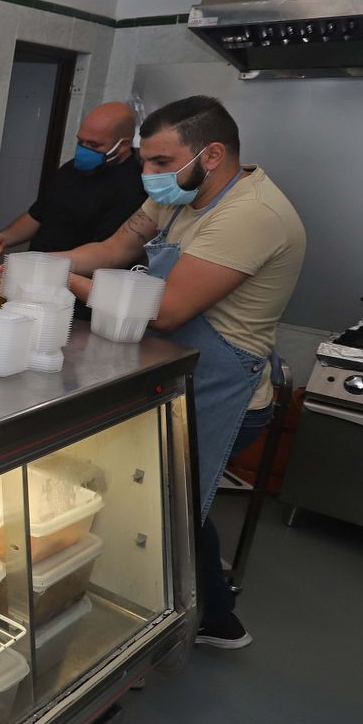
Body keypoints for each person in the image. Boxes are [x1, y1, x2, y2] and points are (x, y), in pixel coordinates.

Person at [54, 95, 305, 650]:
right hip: (176, 371)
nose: (148, 175)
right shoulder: (179, 198)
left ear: (211, 154)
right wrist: (51, 261)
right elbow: (115, 247)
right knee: (174, 498)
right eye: (144, 161)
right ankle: (209, 613)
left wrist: (64, 284)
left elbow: (166, 312)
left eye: (161, 163)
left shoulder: (251, 216)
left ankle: (184, 623)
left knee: (168, 501)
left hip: (226, 385)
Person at [0, 101, 145, 257]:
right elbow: (38, 215)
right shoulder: (71, 168)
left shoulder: (132, 187)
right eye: (81, 142)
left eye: (94, 145)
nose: (84, 150)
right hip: (40, 268)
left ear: (123, 146)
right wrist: (4, 238)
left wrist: (47, 264)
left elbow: (107, 253)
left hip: (78, 278)